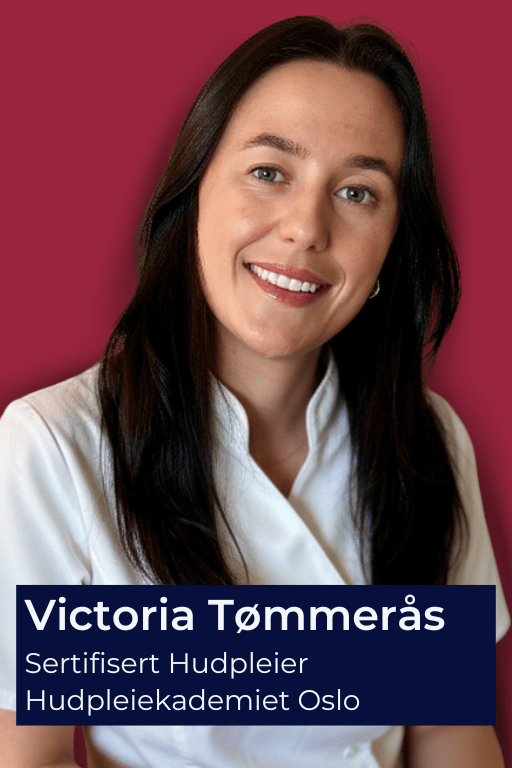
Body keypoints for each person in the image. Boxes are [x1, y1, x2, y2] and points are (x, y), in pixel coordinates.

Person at [0, 15, 508, 768]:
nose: (306, 229)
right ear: (196, 190)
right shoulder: (53, 446)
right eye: (270, 172)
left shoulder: (426, 434)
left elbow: (448, 730)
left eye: (358, 192)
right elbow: (29, 754)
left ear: (392, 241)